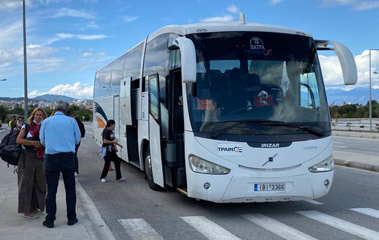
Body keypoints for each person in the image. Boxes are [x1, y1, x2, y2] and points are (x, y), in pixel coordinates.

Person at [39, 102, 81, 228]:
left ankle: (50, 220)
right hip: (68, 157)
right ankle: (71, 218)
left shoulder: (46, 122)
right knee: (70, 189)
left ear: (55, 109)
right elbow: (77, 139)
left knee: (51, 190)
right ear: (66, 110)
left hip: (51, 158)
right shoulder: (72, 121)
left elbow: (42, 140)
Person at [16, 108, 48, 219]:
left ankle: (38, 207)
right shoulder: (27, 127)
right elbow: (18, 140)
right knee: (26, 183)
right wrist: (33, 143)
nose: (38, 117)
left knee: (40, 182)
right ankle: (27, 210)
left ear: (44, 117)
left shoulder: (44, 127)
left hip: (39, 157)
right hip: (27, 156)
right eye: (36, 114)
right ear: (33, 115)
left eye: (40, 115)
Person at [66, 110, 85, 175]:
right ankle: (75, 170)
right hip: (77, 140)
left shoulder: (73, 121)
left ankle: (74, 170)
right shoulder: (78, 121)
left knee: (73, 155)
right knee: (74, 155)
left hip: (73, 140)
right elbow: (83, 130)